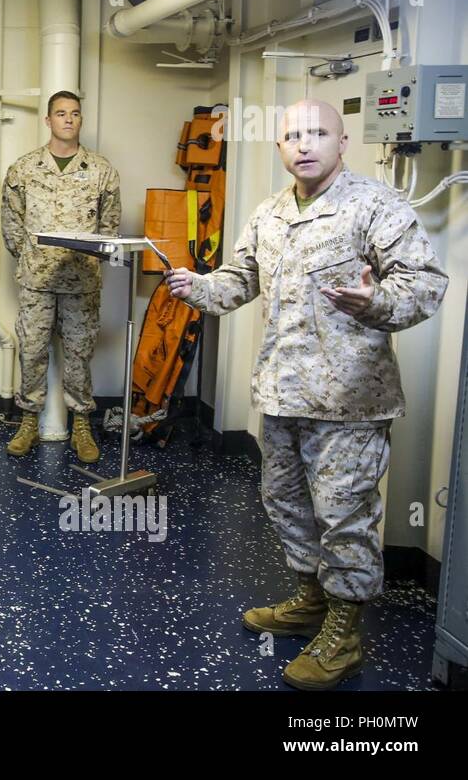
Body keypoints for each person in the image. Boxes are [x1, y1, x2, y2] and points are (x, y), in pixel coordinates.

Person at [165, 99, 447, 691]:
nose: (304, 143)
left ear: (343, 142)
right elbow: (239, 281)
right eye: (292, 134)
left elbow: (425, 285)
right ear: (279, 146)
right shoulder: (269, 215)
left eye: (318, 132)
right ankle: (310, 601)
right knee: (287, 505)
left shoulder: (375, 206)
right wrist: (196, 286)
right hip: (282, 394)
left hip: (350, 401)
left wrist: (377, 302)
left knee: (345, 517)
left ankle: (344, 634)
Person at [1, 90, 121, 462]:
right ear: (48, 120)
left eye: (74, 114)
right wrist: (33, 257)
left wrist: (89, 260)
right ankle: (28, 422)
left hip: (82, 281)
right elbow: (11, 223)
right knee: (32, 350)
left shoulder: (101, 171)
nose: (68, 119)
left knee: (79, 354)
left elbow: (110, 227)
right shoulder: (24, 168)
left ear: (80, 120)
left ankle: (81, 425)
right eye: (60, 113)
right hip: (37, 279)